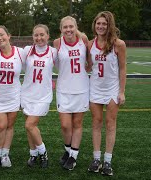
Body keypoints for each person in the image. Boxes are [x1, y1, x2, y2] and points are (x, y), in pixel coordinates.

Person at [87, 11, 126, 176]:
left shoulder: (119, 44)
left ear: (109, 25)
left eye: (104, 24)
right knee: (96, 123)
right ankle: (96, 159)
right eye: (98, 23)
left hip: (111, 89)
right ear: (95, 25)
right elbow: (88, 67)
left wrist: (122, 91)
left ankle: (107, 161)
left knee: (110, 124)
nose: (101, 26)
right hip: (95, 88)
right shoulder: (89, 44)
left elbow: (123, 68)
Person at [53, 16, 90, 170]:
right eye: (65, 27)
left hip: (81, 88)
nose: (68, 29)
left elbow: (89, 62)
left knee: (77, 124)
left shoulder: (84, 39)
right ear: (61, 29)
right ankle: (68, 151)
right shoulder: (57, 43)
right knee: (65, 125)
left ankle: (73, 156)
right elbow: (54, 64)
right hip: (63, 89)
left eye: (71, 26)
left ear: (76, 27)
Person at [21, 24, 57, 169]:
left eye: (42, 35)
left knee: (30, 124)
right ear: (32, 36)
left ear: (48, 36)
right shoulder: (26, 51)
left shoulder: (54, 52)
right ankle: (33, 153)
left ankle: (43, 153)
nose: (39, 38)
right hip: (27, 93)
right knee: (30, 127)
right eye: (36, 35)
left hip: (43, 95)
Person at [0, 25, 24, 168]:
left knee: (9, 126)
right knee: (1, 125)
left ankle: (5, 154)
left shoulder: (21, 52)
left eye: (2, 35)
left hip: (14, 95)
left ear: (9, 35)